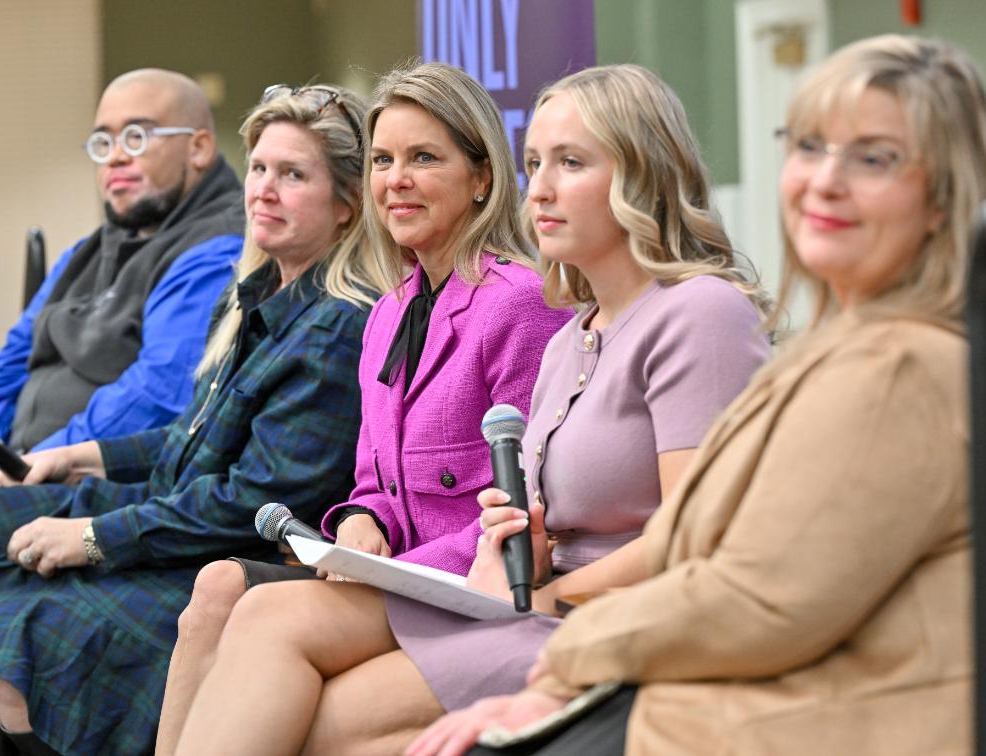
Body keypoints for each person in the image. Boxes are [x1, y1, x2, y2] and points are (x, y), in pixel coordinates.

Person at [408, 34, 986, 756]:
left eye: (874, 158)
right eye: (809, 147)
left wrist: (564, 655)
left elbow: (766, 600)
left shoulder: (901, 363)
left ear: (942, 199)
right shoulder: (839, 348)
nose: (825, 181)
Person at [173, 64, 772, 755]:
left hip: (590, 618)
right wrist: (467, 534)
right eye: (536, 163)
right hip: (519, 596)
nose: (540, 188)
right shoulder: (574, 332)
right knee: (255, 620)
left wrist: (527, 589)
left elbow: (700, 538)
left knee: (301, 703)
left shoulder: (693, 312)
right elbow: (507, 504)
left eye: (570, 163)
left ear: (643, 174)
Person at [0, 83, 391, 756]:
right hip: (185, 517)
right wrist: (82, 457)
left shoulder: (337, 325)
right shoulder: (254, 293)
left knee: (23, 620)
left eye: (294, 175)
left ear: (346, 206)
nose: (263, 190)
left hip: (233, 554)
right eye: (262, 169)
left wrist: (93, 537)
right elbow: (193, 436)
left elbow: (252, 501)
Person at [155, 61, 572, 754]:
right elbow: (372, 481)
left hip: (464, 585)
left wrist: (393, 566)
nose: (395, 179)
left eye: (423, 158)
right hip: (391, 578)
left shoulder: (519, 303)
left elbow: (529, 505)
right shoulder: (388, 311)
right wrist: (359, 523)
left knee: (261, 609)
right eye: (382, 160)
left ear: (482, 180)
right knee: (217, 589)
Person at [0, 67, 244, 756]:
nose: (116, 158)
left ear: (197, 146)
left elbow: (156, 394)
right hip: (24, 467)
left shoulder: (215, 246)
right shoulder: (86, 251)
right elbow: (11, 359)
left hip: (108, 476)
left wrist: (20, 474)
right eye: (102, 142)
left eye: (136, 136)